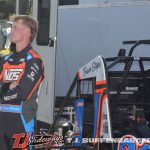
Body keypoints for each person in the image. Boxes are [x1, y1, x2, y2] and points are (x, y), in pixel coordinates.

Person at [0, 15, 44, 149]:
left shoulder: (34, 60)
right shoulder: (5, 59)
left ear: (27, 31)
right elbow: (14, 90)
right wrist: (9, 86)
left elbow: (23, 92)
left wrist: (3, 91)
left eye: (15, 27)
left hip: (21, 120)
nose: (11, 31)